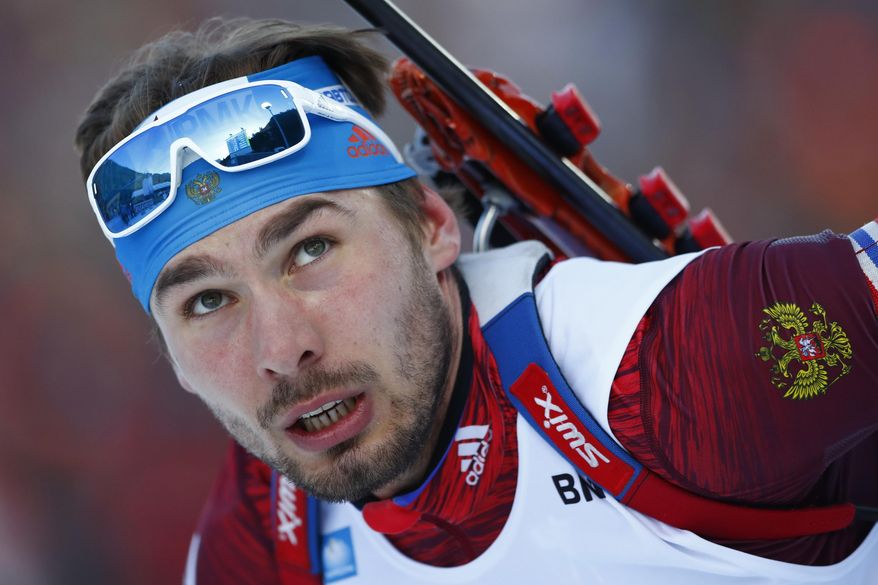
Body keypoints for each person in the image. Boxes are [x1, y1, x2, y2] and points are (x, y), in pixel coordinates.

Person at [75, 17, 878, 585]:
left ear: (430, 226)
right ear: (171, 357)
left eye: (311, 249)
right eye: (208, 301)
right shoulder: (263, 543)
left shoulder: (663, 373)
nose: (281, 348)